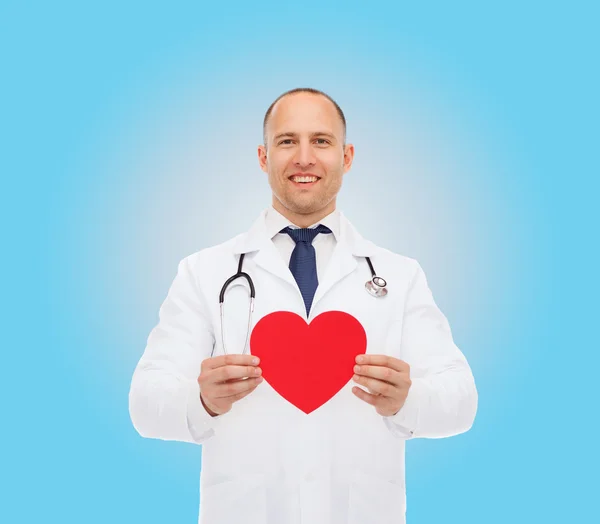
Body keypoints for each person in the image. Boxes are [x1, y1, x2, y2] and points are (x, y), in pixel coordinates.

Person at [128, 87, 478, 524]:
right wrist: (202, 401)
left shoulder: (400, 275)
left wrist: (407, 400)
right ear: (263, 157)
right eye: (287, 141)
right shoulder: (203, 271)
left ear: (347, 157)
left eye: (322, 141)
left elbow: (461, 401)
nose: (304, 158)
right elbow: (144, 404)